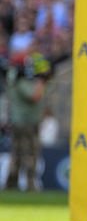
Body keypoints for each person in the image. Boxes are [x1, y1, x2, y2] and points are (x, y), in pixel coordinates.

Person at [4, 53, 49, 191]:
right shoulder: (20, 81)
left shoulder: (15, 79)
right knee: (30, 153)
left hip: (20, 121)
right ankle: (30, 184)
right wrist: (42, 79)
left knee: (17, 153)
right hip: (26, 122)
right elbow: (35, 96)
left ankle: (12, 183)